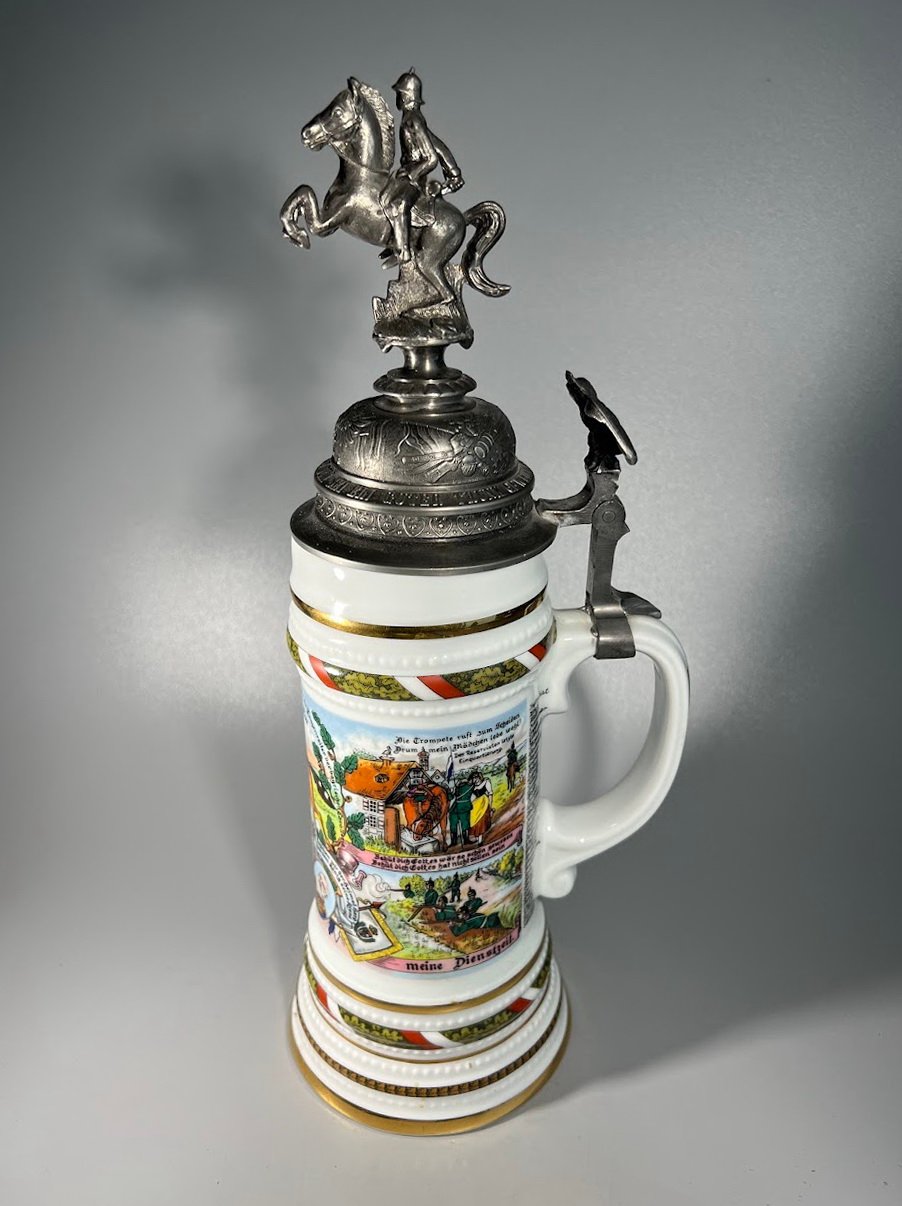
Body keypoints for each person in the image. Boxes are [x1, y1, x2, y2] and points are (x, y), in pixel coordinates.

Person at [380, 69, 463, 273]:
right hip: (406, 174)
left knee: (398, 204)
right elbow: (437, 144)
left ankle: (403, 251)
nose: (397, 98)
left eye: (399, 94)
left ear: (406, 96)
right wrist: (453, 171)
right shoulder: (412, 117)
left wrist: (411, 174)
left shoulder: (412, 120)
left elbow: (431, 158)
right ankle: (395, 239)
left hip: (414, 178)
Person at [467, 769, 494, 844]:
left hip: (484, 803)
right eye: (473, 778)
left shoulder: (486, 782)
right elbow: (472, 798)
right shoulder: (472, 787)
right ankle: (475, 836)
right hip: (476, 804)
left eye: (476, 777)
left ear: (479, 777)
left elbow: (490, 794)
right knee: (473, 819)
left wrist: (490, 806)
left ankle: (480, 839)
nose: (475, 780)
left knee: (481, 821)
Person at [449, 776, 474, 847]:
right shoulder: (457, 787)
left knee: (464, 824)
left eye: (458, 780)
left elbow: (454, 795)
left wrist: (455, 788)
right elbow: (451, 797)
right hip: (455, 808)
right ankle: (454, 841)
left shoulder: (468, 786)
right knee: (454, 825)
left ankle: (465, 840)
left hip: (464, 807)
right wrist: (452, 791)